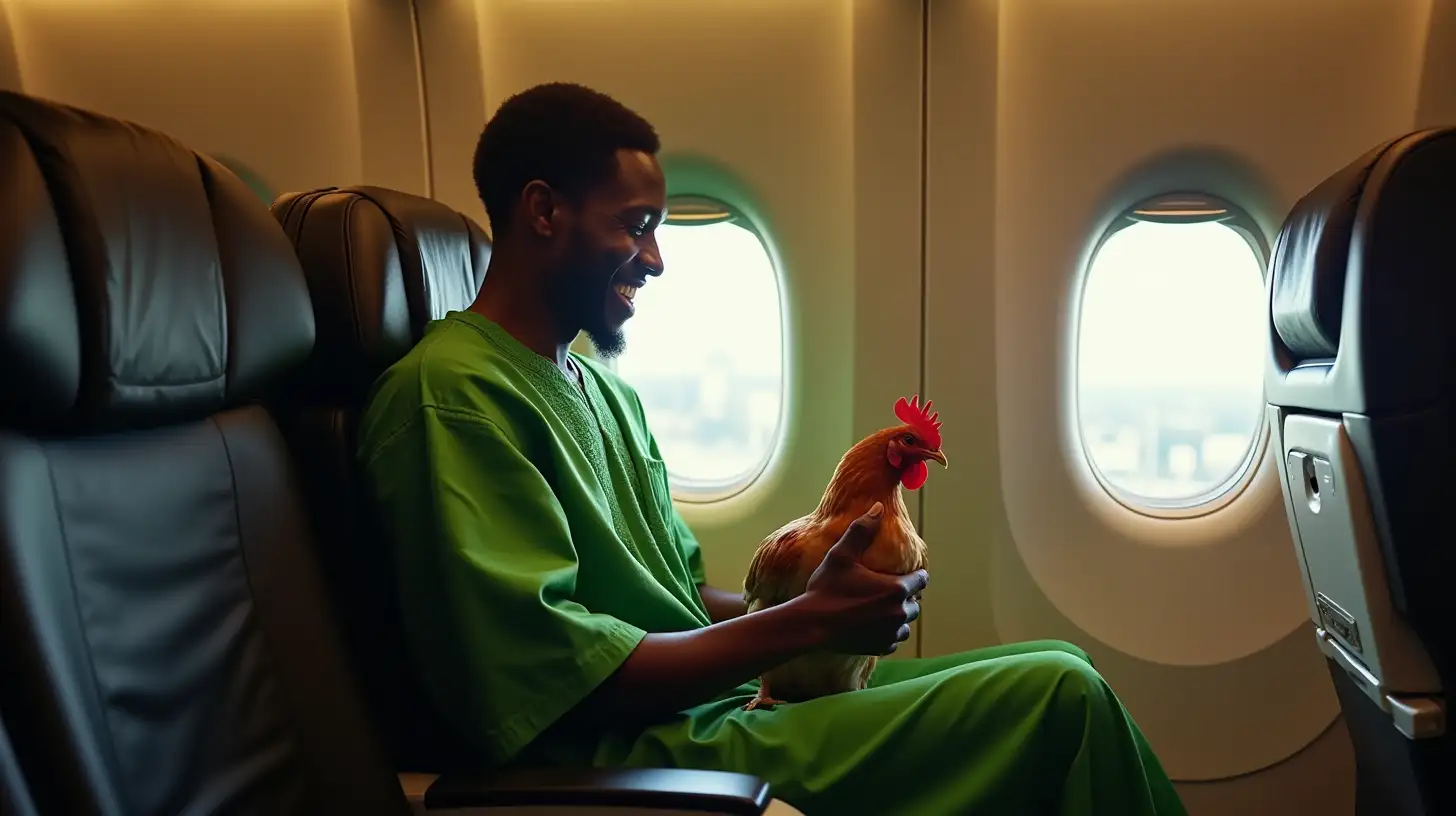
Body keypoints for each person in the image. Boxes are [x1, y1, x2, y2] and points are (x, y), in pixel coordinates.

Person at [356, 81, 1187, 816]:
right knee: (1059, 700)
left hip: (704, 707)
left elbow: (676, 600)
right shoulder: (452, 399)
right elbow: (557, 680)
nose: (655, 258)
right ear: (544, 212)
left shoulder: (600, 389)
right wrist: (802, 626)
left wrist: (810, 600)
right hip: (622, 757)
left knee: (1058, 656)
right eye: (636, 226)